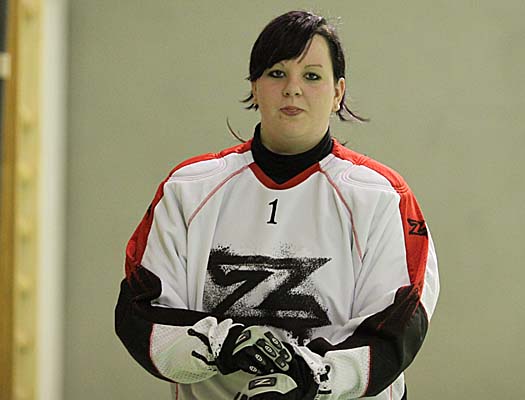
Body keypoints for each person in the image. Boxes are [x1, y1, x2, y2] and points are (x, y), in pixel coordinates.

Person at [115, 10, 440, 400]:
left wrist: (308, 375)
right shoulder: (188, 190)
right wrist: (227, 344)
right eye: (276, 73)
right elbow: (142, 314)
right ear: (254, 87)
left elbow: (397, 327)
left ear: (338, 92)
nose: (292, 89)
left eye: (312, 76)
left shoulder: (383, 197)